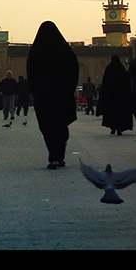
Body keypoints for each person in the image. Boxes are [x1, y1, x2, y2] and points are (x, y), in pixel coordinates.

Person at [26, 21, 79, 169]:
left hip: (44, 98)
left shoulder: (36, 53)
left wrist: (36, 92)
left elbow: (30, 75)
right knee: (61, 125)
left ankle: (54, 157)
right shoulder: (66, 52)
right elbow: (74, 73)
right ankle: (60, 155)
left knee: (48, 127)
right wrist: (69, 91)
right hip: (62, 97)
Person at [96, 56, 133, 135]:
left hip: (111, 98)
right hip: (121, 98)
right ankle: (119, 128)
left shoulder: (109, 70)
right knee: (120, 113)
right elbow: (127, 84)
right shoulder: (122, 71)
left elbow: (105, 84)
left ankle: (113, 127)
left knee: (112, 113)